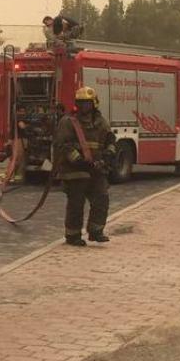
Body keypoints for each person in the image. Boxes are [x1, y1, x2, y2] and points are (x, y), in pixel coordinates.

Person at [52, 87, 116, 246]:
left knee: (101, 198)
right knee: (76, 203)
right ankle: (73, 235)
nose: (84, 107)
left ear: (94, 103)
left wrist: (108, 155)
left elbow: (110, 141)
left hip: (96, 169)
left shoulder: (102, 122)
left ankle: (96, 231)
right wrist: (78, 160)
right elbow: (63, 145)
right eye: (81, 103)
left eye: (87, 103)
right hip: (75, 171)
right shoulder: (68, 122)